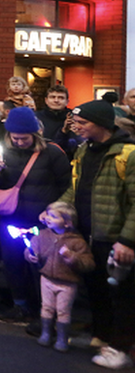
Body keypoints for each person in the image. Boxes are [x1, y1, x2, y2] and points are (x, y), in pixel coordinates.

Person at [57, 100, 135, 369]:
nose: (75, 126)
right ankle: (101, 336)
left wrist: (127, 241)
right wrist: (59, 206)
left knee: (123, 296)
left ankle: (121, 347)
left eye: (82, 123)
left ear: (101, 124)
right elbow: (75, 187)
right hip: (88, 234)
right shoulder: (83, 149)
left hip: (114, 237)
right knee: (97, 289)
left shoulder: (128, 153)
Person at [0, 107, 71, 322]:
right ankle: (19, 304)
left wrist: (55, 213)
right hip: (11, 219)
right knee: (12, 262)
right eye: (15, 138)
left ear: (35, 134)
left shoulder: (53, 153)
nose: (20, 142)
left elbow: (67, 186)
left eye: (24, 138)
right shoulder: (1, 153)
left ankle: (43, 311)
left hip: (42, 222)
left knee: (39, 265)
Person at [26, 201, 94, 352]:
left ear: (67, 223)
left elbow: (88, 263)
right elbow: (32, 249)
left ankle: (62, 338)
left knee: (63, 311)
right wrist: (31, 256)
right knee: (47, 307)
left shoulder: (77, 242)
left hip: (67, 283)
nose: (48, 218)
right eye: (48, 215)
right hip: (46, 279)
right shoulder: (43, 235)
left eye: (53, 216)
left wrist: (73, 257)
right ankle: (46, 334)